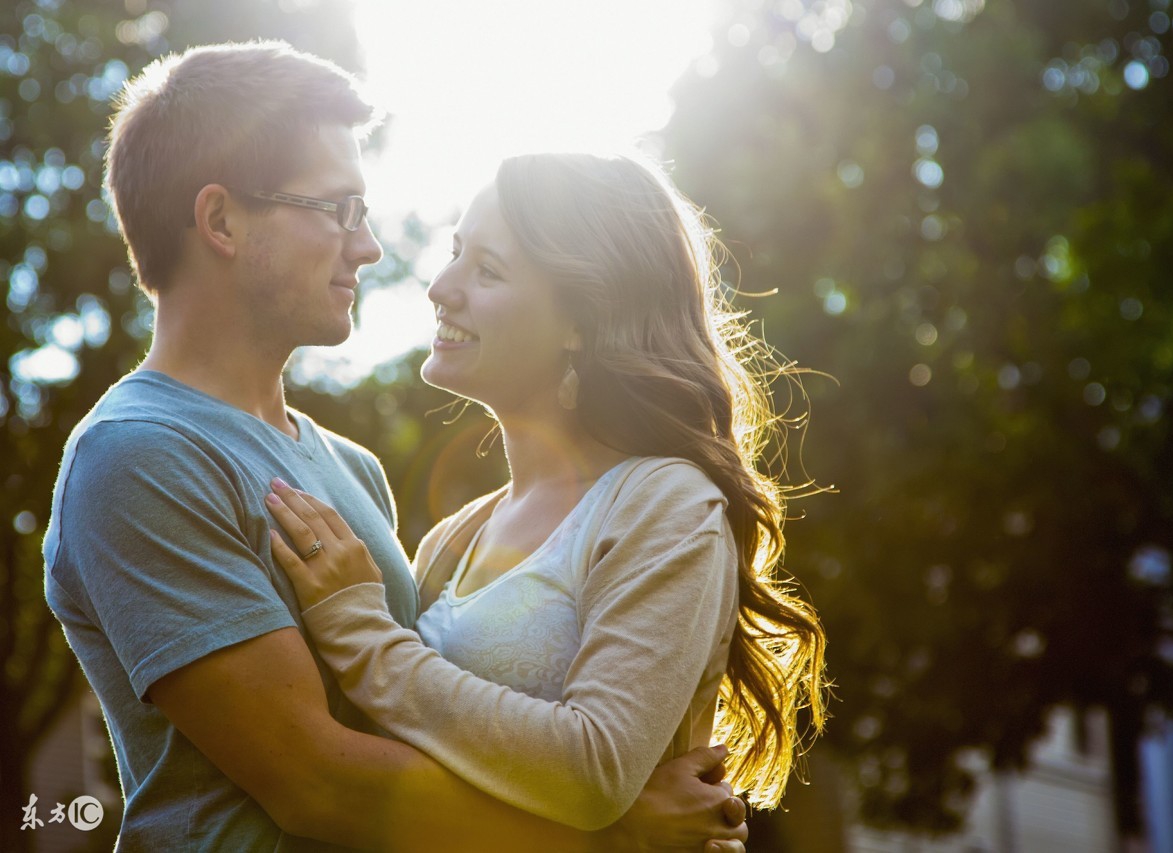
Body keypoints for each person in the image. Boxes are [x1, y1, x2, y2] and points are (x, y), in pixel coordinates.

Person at [43, 42, 747, 851]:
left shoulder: (353, 469)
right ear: (221, 220)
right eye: (339, 209)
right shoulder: (138, 455)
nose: (369, 245)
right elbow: (318, 783)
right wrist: (612, 837)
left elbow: (424, 731)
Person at [263, 152, 829, 828]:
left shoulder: (667, 505)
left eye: (488, 270)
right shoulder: (453, 539)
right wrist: (623, 830)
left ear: (580, 321)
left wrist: (362, 633)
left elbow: (593, 771)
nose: (441, 287)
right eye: (454, 254)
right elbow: (409, 763)